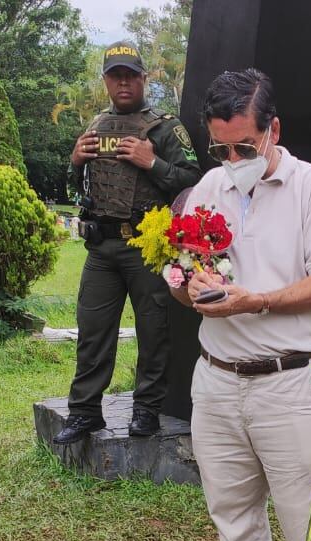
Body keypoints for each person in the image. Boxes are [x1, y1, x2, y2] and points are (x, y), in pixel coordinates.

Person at [169, 69, 311, 541]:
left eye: (243, 146)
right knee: (231, 507)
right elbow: (179, 275)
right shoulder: (207, 189)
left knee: (305, 514)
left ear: (274, 130)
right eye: (219, 147)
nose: (231, 158)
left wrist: (257, 302)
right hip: (217, 378)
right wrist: (187, 288)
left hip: (287, 380)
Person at [54, 43, 202, 444]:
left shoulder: (166, 127)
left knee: (154, 331)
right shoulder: (95, 126)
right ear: (105, 80)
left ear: (143, 79)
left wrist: (151, 162)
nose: (123, 82)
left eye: (131, 75)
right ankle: (85, 412)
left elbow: (195, 180)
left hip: (146, 247)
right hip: (101, 247)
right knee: (92, 331)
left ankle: (146, 411)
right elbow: (74, 190)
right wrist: (75, 161)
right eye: (115, 75)